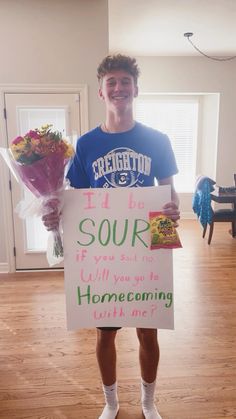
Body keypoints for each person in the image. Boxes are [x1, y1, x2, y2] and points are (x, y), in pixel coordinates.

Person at [43, 54, 180, 419]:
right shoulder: (86, 145)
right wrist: (54, 216)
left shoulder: (158, 139)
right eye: (112, 83)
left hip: (145, 247)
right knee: (105, 333)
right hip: (105, 255)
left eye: (125, 81)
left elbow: (168, 194)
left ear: (136, 89)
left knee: (149, 332)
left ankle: (148, 401)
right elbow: (77, 204)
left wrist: (170, 222)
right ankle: (111, 401)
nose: (119, 88)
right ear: (101, 92)